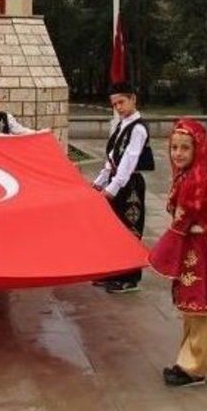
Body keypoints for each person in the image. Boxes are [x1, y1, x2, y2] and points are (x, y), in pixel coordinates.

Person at [149, 118, 207, 388]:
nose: (178, 153)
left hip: (202, 249)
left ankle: (195, 368)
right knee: (191, 306)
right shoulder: (187, 174)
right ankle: (186, 360)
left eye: (185, 148)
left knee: (202, 306)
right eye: (174, 147)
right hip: (191, 247)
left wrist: (160, 253)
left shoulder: (200, 179)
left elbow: (183, 218)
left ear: (198, 149)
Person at [92, 81, 154, 293]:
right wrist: (99, 182)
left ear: (133, 99)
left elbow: (129, 160)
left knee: (130, 229)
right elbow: (112, 158)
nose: (118, 107)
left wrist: (111, 189)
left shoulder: (137, 128)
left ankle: (130, 278)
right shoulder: (122, 125)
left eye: (122, 102)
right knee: (114, 229)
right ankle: (114, 271)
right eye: (115, 104)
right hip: (116, 181)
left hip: (131, 185)